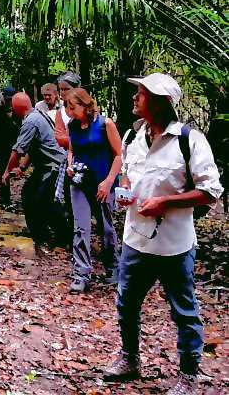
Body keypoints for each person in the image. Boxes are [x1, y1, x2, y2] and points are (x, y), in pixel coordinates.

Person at [104, 74, 222, 395]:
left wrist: (165, 202)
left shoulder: (189, 140)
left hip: (175, 244)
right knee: (126, 302)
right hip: (135, 240)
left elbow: (211, 191)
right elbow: (128, 176)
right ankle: (129, 359)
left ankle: (188, 374)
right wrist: (124, 190)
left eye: (141, 94)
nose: (135, 99)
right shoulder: (132, 137)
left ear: (160, 102)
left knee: (184, 310)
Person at [65, 88, 122, 292]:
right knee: (81, 227)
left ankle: (113, 267)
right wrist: (69, 165)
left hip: (102, 184)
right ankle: (81, 273)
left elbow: (118, 155)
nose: (70, 112)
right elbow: (72, 150)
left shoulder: (105, 124)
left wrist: (108, 182)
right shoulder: (72, 125)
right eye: (67, 108)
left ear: (85, 104)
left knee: (106, 227)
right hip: (79, 183)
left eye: (73, 107)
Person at [2, 92, 68, 247]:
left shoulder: (31, 121)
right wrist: (22, 167)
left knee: (45, 201)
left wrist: (6, 172)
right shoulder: (36, 115)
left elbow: (18, 150)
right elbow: (33, 147)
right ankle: (39, 234)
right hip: (45, 166)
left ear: (17, 107)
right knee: (29, 193)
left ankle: (62, 237)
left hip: (54, 166)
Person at [54, 72, 81, 148]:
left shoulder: (87, 107)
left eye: (66, 89)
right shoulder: (60, 112)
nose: (63, 92)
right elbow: (59, 138)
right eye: (61, 89)